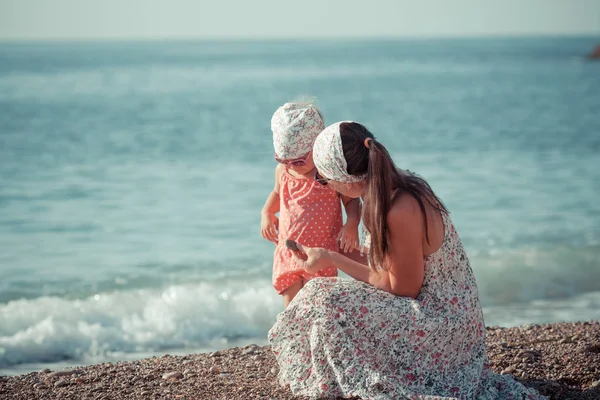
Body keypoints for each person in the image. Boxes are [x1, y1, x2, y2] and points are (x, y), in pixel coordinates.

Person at [268, 121, 545, 399]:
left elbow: (403, 288)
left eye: (324, 179)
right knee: (324, 296)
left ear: (348, 179)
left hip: (444, 327)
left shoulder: (398, 210)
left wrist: (332, 258)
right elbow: (389, 265)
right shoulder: (393, 185)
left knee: (321, 296)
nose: (324, 185)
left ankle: (341, 384)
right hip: (435, 312)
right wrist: (328, 249)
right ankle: (343, 380)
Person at [261, 104, 361, 308]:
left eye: (297, 161)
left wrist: (351, 224)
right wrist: (267, 212)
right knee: (292, 307)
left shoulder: (328, 174)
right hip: (289, 250)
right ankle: (292, 338)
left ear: (317, 146)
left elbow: (351, 201)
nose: (290, 165)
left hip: (321, 253)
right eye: (283, 159)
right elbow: (277, 194)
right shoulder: (283, 171)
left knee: (318, 304)